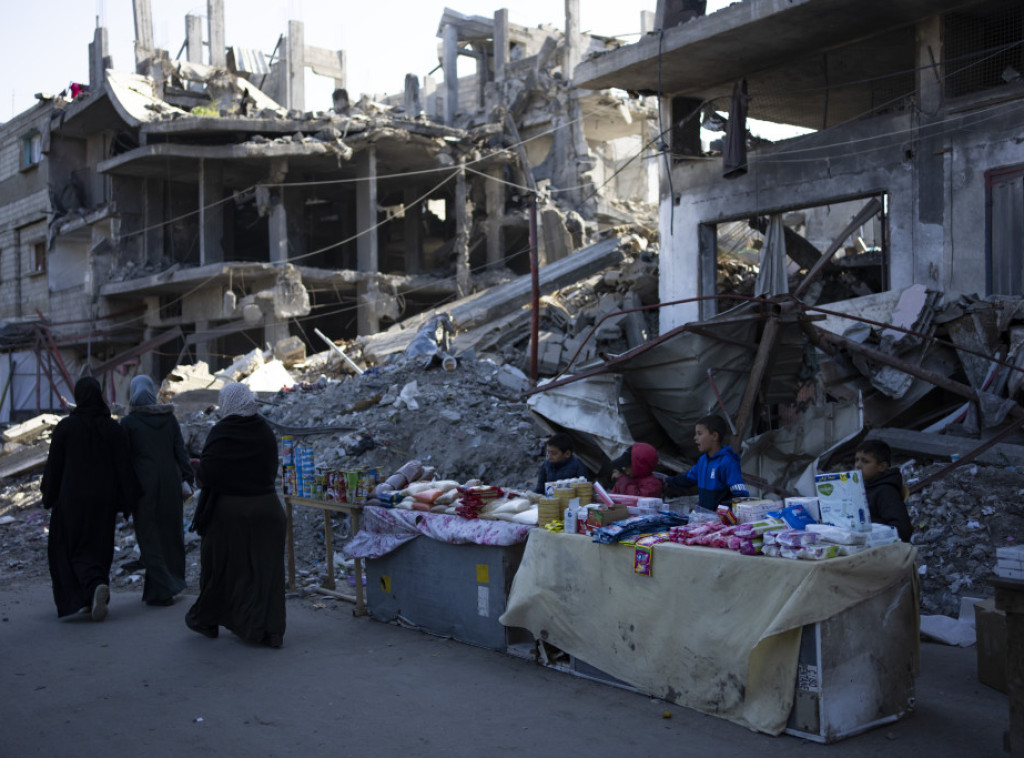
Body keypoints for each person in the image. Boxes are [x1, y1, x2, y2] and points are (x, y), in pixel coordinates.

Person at [185, 383, 286, 648]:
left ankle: (206, 620)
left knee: (221, 569)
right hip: (268, 510)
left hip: (230, 513)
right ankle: (271, 630)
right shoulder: (264, 431)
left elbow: (208, 474)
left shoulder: (222, 432)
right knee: (266, 573)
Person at [41, 377, 139, 621]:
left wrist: (48, 494)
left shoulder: (65, 428)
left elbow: (54, 467)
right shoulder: (113, 429)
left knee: (67, 547)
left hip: (71, 499)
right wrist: (128, 501)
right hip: (104, 501)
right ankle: (91, 594)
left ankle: (88, 589)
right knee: (98, 546)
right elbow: (124, 468)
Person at [121, 375, 195, 607]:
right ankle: (162, 589)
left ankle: (165, 587)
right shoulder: (168, 418)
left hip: (144, 487)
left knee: (149, 537)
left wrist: (124, 493)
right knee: (171, 536)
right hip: (170, 485)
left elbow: (124, 461)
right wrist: (187, 478)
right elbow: (180, 452)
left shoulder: (129, 423)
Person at [663, 415, 748, 510]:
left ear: (714, 436)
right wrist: (666, 481)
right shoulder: (703, 460)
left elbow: (741, 495)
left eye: (699, 434)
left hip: (720, 521)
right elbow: (688, 479)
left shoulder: (727, 462)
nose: (695, 438)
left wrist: (722, 511)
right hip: (705, 518)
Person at [854, 440, 913, 543]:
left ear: (881, 467)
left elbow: (902, 529)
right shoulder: (865, 486)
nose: (858, 465)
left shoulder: (886, 491)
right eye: (857, 460)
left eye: (865, 461)